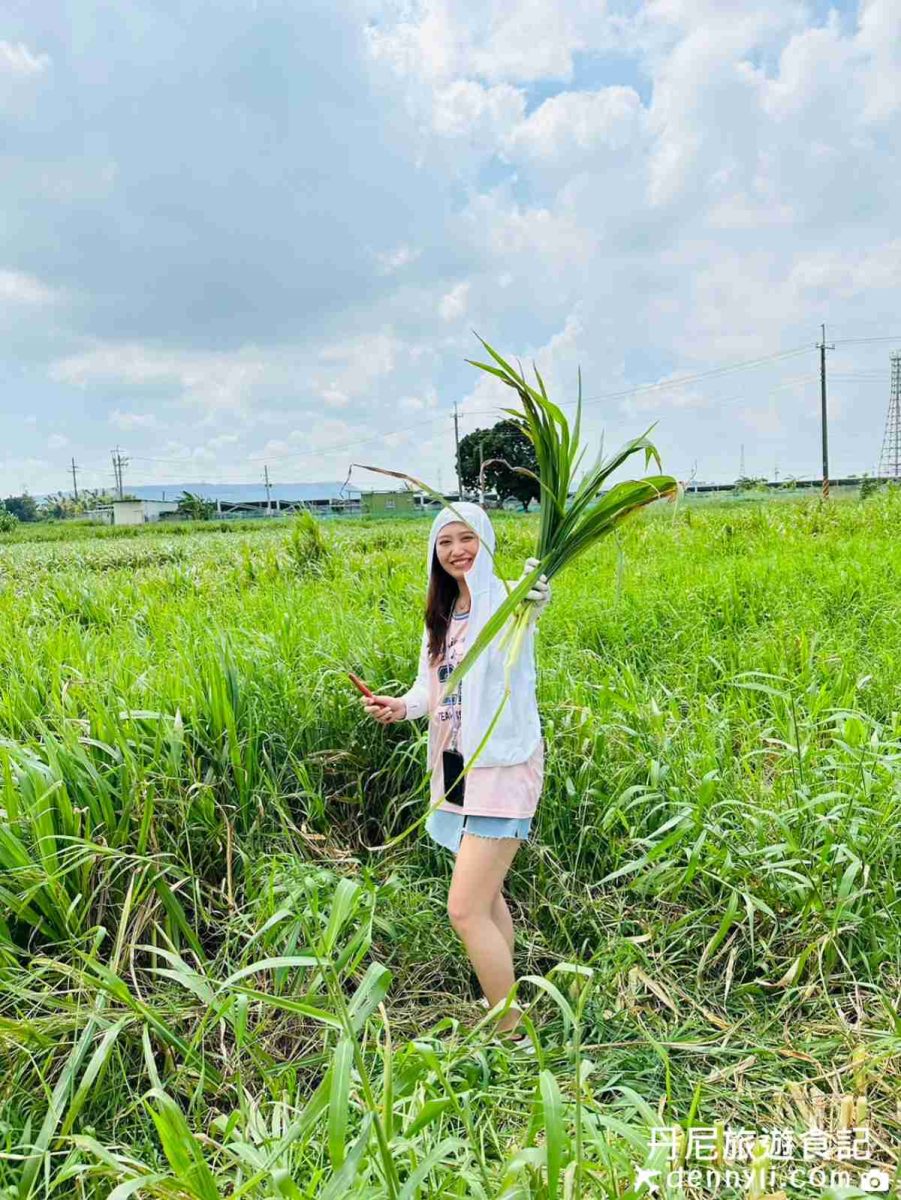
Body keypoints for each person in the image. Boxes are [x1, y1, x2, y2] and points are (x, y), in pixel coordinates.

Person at [360, 502, 550, 1043]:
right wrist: (401, 706)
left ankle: (510, 1030)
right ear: (433, 553)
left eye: (467, 539)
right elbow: (431, 688)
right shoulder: (443, 617)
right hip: (454, 764)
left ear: (486, 543)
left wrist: (537, 589)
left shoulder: (507, 602)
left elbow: (534, 601)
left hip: (501, 763)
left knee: (463, 909)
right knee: (486, 899)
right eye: (445, 543)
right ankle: (503, 996)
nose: (456, 551)